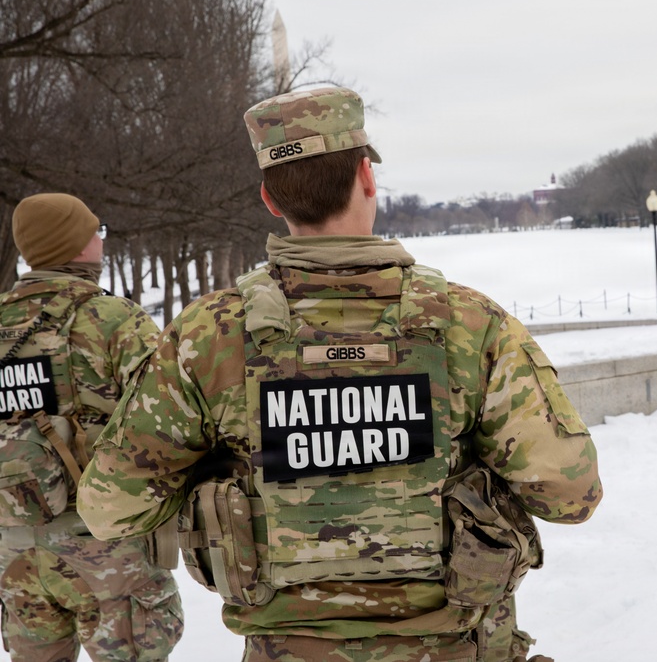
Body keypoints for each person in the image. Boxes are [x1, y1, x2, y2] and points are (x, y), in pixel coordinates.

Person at [77, 86, 603, 662]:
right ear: (367, 178)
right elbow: (571, 493)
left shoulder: (208, 337)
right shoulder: (470, 325)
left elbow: (110, 507)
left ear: (269, 199)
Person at [0, 193, 183, 661]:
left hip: (14, 553)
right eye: (96, 232)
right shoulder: (112, 319)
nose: (101, 243)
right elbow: (174, 417)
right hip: (106, 553)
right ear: (77, 244)